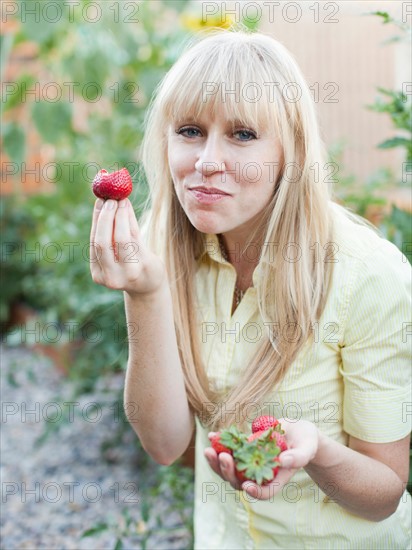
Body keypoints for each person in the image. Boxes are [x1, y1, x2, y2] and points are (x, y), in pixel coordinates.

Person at [90, 28, 411, 549]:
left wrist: (319, 451)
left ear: (291, 151)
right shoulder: (163, 249)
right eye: (190, 130)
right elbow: (166, 443)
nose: (206, 161)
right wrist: (145, 294)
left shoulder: (370, 275)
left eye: (242, 135)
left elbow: (384, 494)